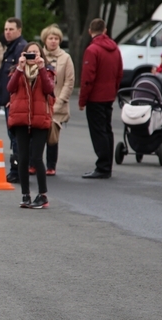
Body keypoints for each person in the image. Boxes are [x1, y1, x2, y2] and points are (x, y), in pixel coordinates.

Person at [7, 41, 54, 208]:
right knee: (22, 158)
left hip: (39, 119)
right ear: (23, 55)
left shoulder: (47, 71)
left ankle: (42, 195)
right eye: (29, 53)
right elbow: (10, 88)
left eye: (36, 53)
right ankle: (25, 194)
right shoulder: (17, 71)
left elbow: (49, 89)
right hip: (21, 119)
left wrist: (41, 68)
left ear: (41, 55)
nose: (32, 56)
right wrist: (19, 69)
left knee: (37, 158)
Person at [79, 18, 123, 179]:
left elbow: (87, 78)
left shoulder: (93, 50)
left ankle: (103, 166)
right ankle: (107, 164)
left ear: (90, 31)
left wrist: (82, 100)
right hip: (108, 95)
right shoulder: (115, 49)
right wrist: (114, 89)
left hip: (96, 96)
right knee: (107, 130)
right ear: (105, 30)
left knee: (98, 131)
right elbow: (119, 73)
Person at [0, 18, 28, 182]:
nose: (7, 32)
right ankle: (18, 169)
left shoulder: (20, 48)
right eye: (6, 29)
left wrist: (12, 98)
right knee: (13, 137)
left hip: (14, 102)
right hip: (9, 100)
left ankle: (17, 171)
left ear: (19, 30)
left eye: (11, 29)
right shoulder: (11, 47)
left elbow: (20, 77)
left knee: (16, 138)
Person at [41, 24, 75, 176]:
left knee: (52, 135)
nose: (53, 41)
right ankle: (35, 163)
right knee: (38, 133)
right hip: (41, 102)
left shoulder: (66, 58)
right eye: (50, 38)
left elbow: (69, 81)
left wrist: (60, 100)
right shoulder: (39, 56)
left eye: (56, 39)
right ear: (45, 40)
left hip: (57, 103)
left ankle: (51, 165)